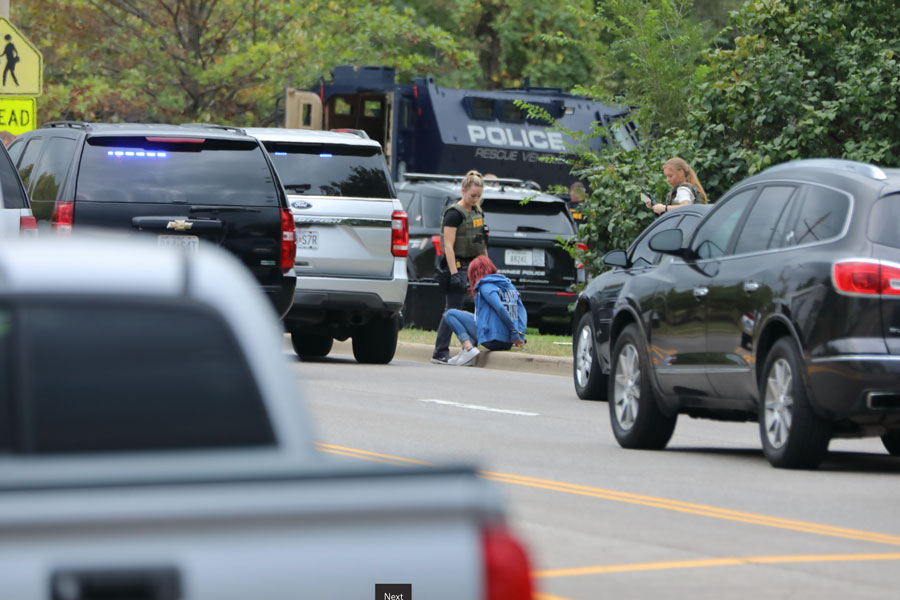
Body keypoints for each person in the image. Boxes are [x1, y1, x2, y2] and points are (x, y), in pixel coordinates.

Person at [431, 170, 489, 364]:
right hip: (458, 266)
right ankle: (440, 351)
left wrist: (487, 267)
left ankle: (470, 346)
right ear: (463, 190)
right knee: (452, 309)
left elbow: (481, 243)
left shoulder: (477, 212)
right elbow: (448, 245)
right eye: (473, 195)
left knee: (478, 307)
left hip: (475, 267)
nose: (475, 199)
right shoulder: (454, 214)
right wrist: (454, 274)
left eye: (479, 196)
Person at [435, 255, 527, 366]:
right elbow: (522, 312)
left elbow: (500, 309)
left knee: (450, 314)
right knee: (473, 318)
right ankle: (466, 354)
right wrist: (519, 334)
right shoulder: (510, 286)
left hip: (493, 340)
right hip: (507, 342)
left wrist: (514, 334)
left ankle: (469, 349)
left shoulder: (485, 287)